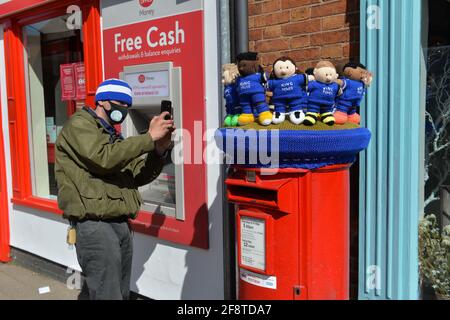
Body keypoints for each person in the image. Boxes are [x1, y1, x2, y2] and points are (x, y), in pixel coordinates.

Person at [55, 79, 174, 300]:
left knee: (119, 292)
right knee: (107, 294)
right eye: (120, 103)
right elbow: (104, 159)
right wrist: (148, 138)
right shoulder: (79, 125)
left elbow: (138, 175)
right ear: (103, 101)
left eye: (128, 106)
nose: (124, 110)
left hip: (119, 222)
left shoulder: (112, 135)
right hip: (94, 224)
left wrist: (157, 151)